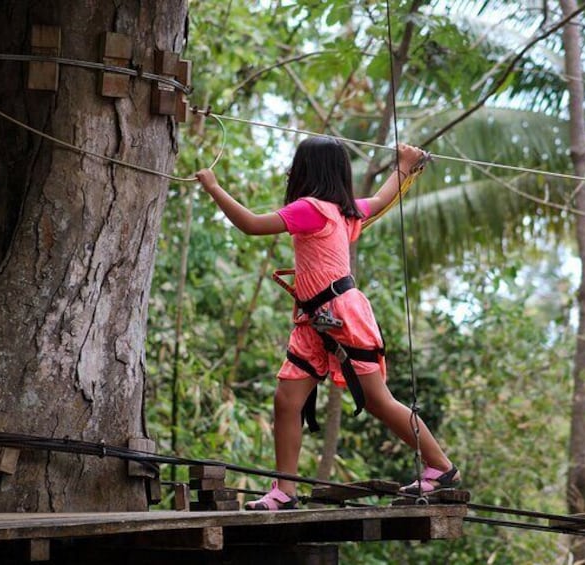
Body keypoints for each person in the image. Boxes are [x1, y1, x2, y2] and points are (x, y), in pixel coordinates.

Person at [195, 137, 460, 511]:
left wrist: (213, 187)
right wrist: (404, 164)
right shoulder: (344, 212)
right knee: (287, 399)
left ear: (307, 171)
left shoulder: (311, 209)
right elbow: (383, 200)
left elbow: (252, 225)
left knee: (377, 400)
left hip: (340, 317)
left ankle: (441, 467)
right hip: (314, 320)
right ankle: (283, 491)